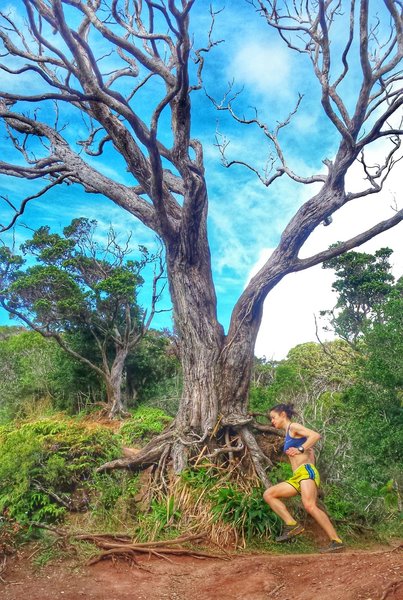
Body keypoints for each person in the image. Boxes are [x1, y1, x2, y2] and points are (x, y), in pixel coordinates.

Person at [263, 403, 344, 553]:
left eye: (273, 418)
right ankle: (292, 525)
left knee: (309, 506)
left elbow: (315, 435)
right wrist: (306, 451)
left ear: (283, 415)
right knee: (269, 494)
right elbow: (311, 453)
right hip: (297, 477)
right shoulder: (288, 433)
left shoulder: (293, 427)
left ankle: (336, 540)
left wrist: (301, 449)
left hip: (306, 472)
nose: (272, 422)